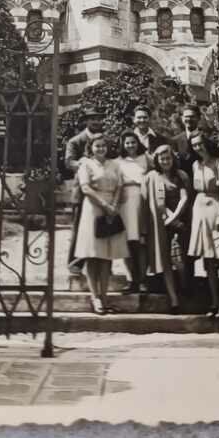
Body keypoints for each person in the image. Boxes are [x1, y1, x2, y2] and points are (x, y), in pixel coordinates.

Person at [74, 134, 128, 314]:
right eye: (97, 146)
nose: (100, 149)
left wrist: (114, 206)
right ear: (91, 148)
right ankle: (95, 296)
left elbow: (120, 186)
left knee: (106, 255)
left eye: (103, 146)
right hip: (93, 209)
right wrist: (104, 205)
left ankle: (105, 297)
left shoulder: (115, 165)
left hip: (112, 209)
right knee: (92, 254)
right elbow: (86, 188)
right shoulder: (86, 165)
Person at [188, 131, 219, 319]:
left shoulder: (218, 163)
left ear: (206, 143)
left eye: (200, 144)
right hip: (200, 210)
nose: (198, 148)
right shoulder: (195, 165)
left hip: (215, 207)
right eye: (194, 145)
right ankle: (214, 302)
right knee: (208, 260)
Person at [142, 144, 190, 313]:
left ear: (173, 158)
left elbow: (185, 199)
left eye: (168, 158)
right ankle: (174, 300)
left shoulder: (181, 175)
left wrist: (175, 219)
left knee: (181, 261)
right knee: (167, 262)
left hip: (181, 223)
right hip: (161, 225)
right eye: (162, 158)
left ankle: (185, 287)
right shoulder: (151, 176)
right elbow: (154, 203)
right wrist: (169, 219)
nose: (165, 161)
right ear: (157, 160)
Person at [64, 108, 103, 275]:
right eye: (92, 119)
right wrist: (84, 164)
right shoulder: (76, 141)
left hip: (101, 192)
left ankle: (101, 263)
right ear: (86, 121)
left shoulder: (104, 140)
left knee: (101, 227)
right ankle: (75, 264)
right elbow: (68, 162)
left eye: (98, 118)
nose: (95, 121)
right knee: (79, 226)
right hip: (82, 191)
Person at [118, 130, 151, 295]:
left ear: (138, 143)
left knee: (141, 243)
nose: (130, 145)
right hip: (124, 203)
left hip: (141, 201)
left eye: (133, 142)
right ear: (123, 145)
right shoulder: (118, 162)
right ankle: (131, 280)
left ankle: (143, 280)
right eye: (127, 143)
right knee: (126, 243)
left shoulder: (146, 158)